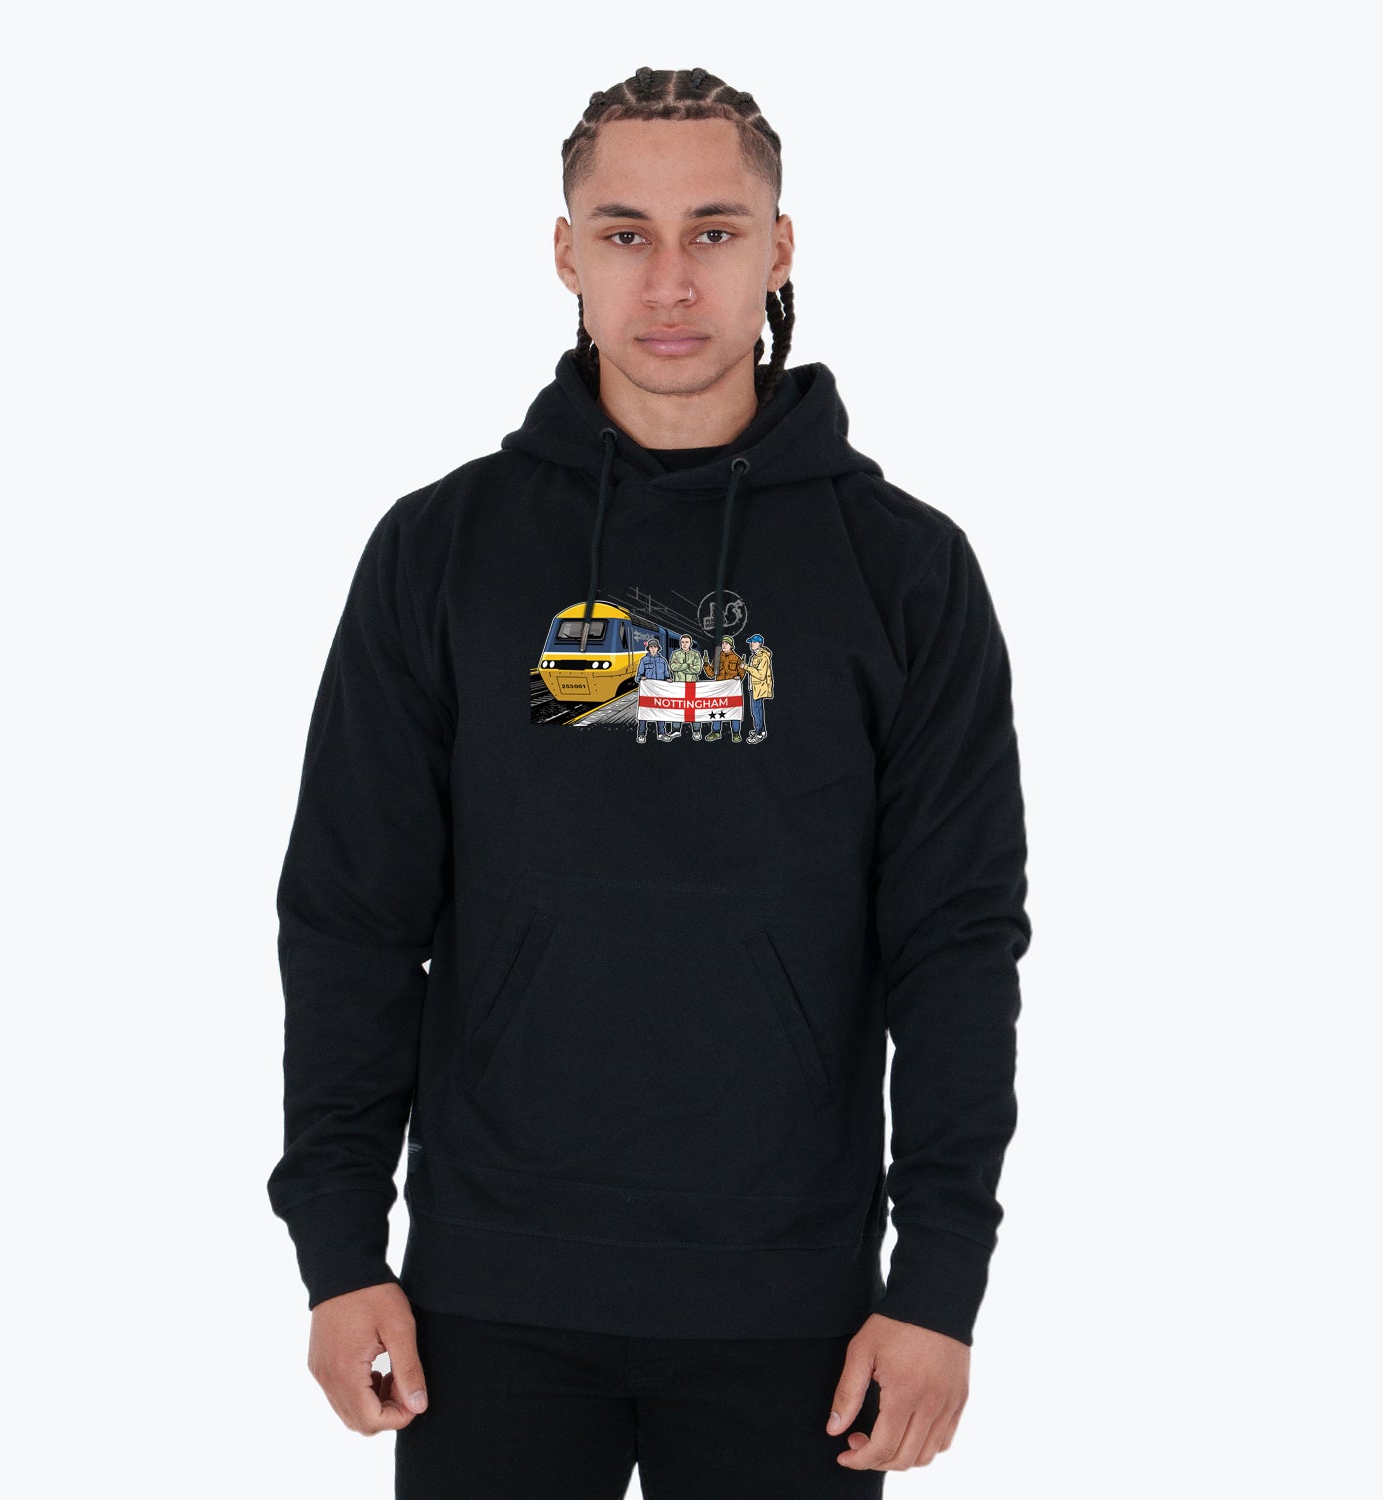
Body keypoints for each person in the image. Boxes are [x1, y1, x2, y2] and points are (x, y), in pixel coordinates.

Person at [266, 65, 1031, 1499]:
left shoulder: (906, 572)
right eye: (625, 233)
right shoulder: (442, 550)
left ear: (779, 248)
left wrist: (938, 1284)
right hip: (485, 1300)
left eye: (713, 232)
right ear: (566, 253)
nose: (670, 281)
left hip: (794, 1310)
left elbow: (956, 943)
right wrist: (339, 1250)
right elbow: (351, 918)